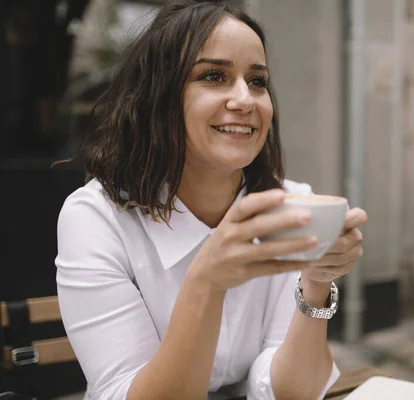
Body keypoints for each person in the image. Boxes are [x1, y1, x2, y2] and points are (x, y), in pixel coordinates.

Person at [55, 1, 368, 399]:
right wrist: (207, 281)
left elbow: (292, 391)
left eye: (258, 81)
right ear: (159, 96)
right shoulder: (97, 218)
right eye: (214, 75)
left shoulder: (292, 206)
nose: (245, 99)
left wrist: (316, 284)